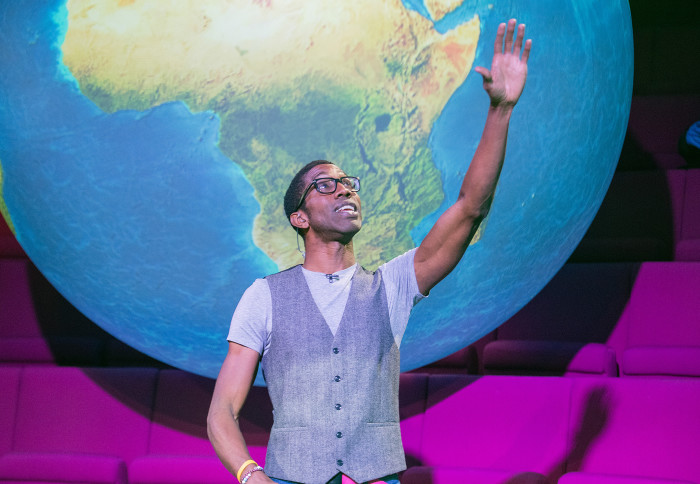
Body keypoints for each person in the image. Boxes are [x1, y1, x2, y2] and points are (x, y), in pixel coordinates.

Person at [208, 19, 532, 484]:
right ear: (299, 217)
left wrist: (500, 111)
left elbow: (469, 209)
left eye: (348, 184)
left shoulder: (393, 285)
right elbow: (222, 409)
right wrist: (248, 473)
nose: (344, 190)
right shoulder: (264, 297)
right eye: (326, 185)